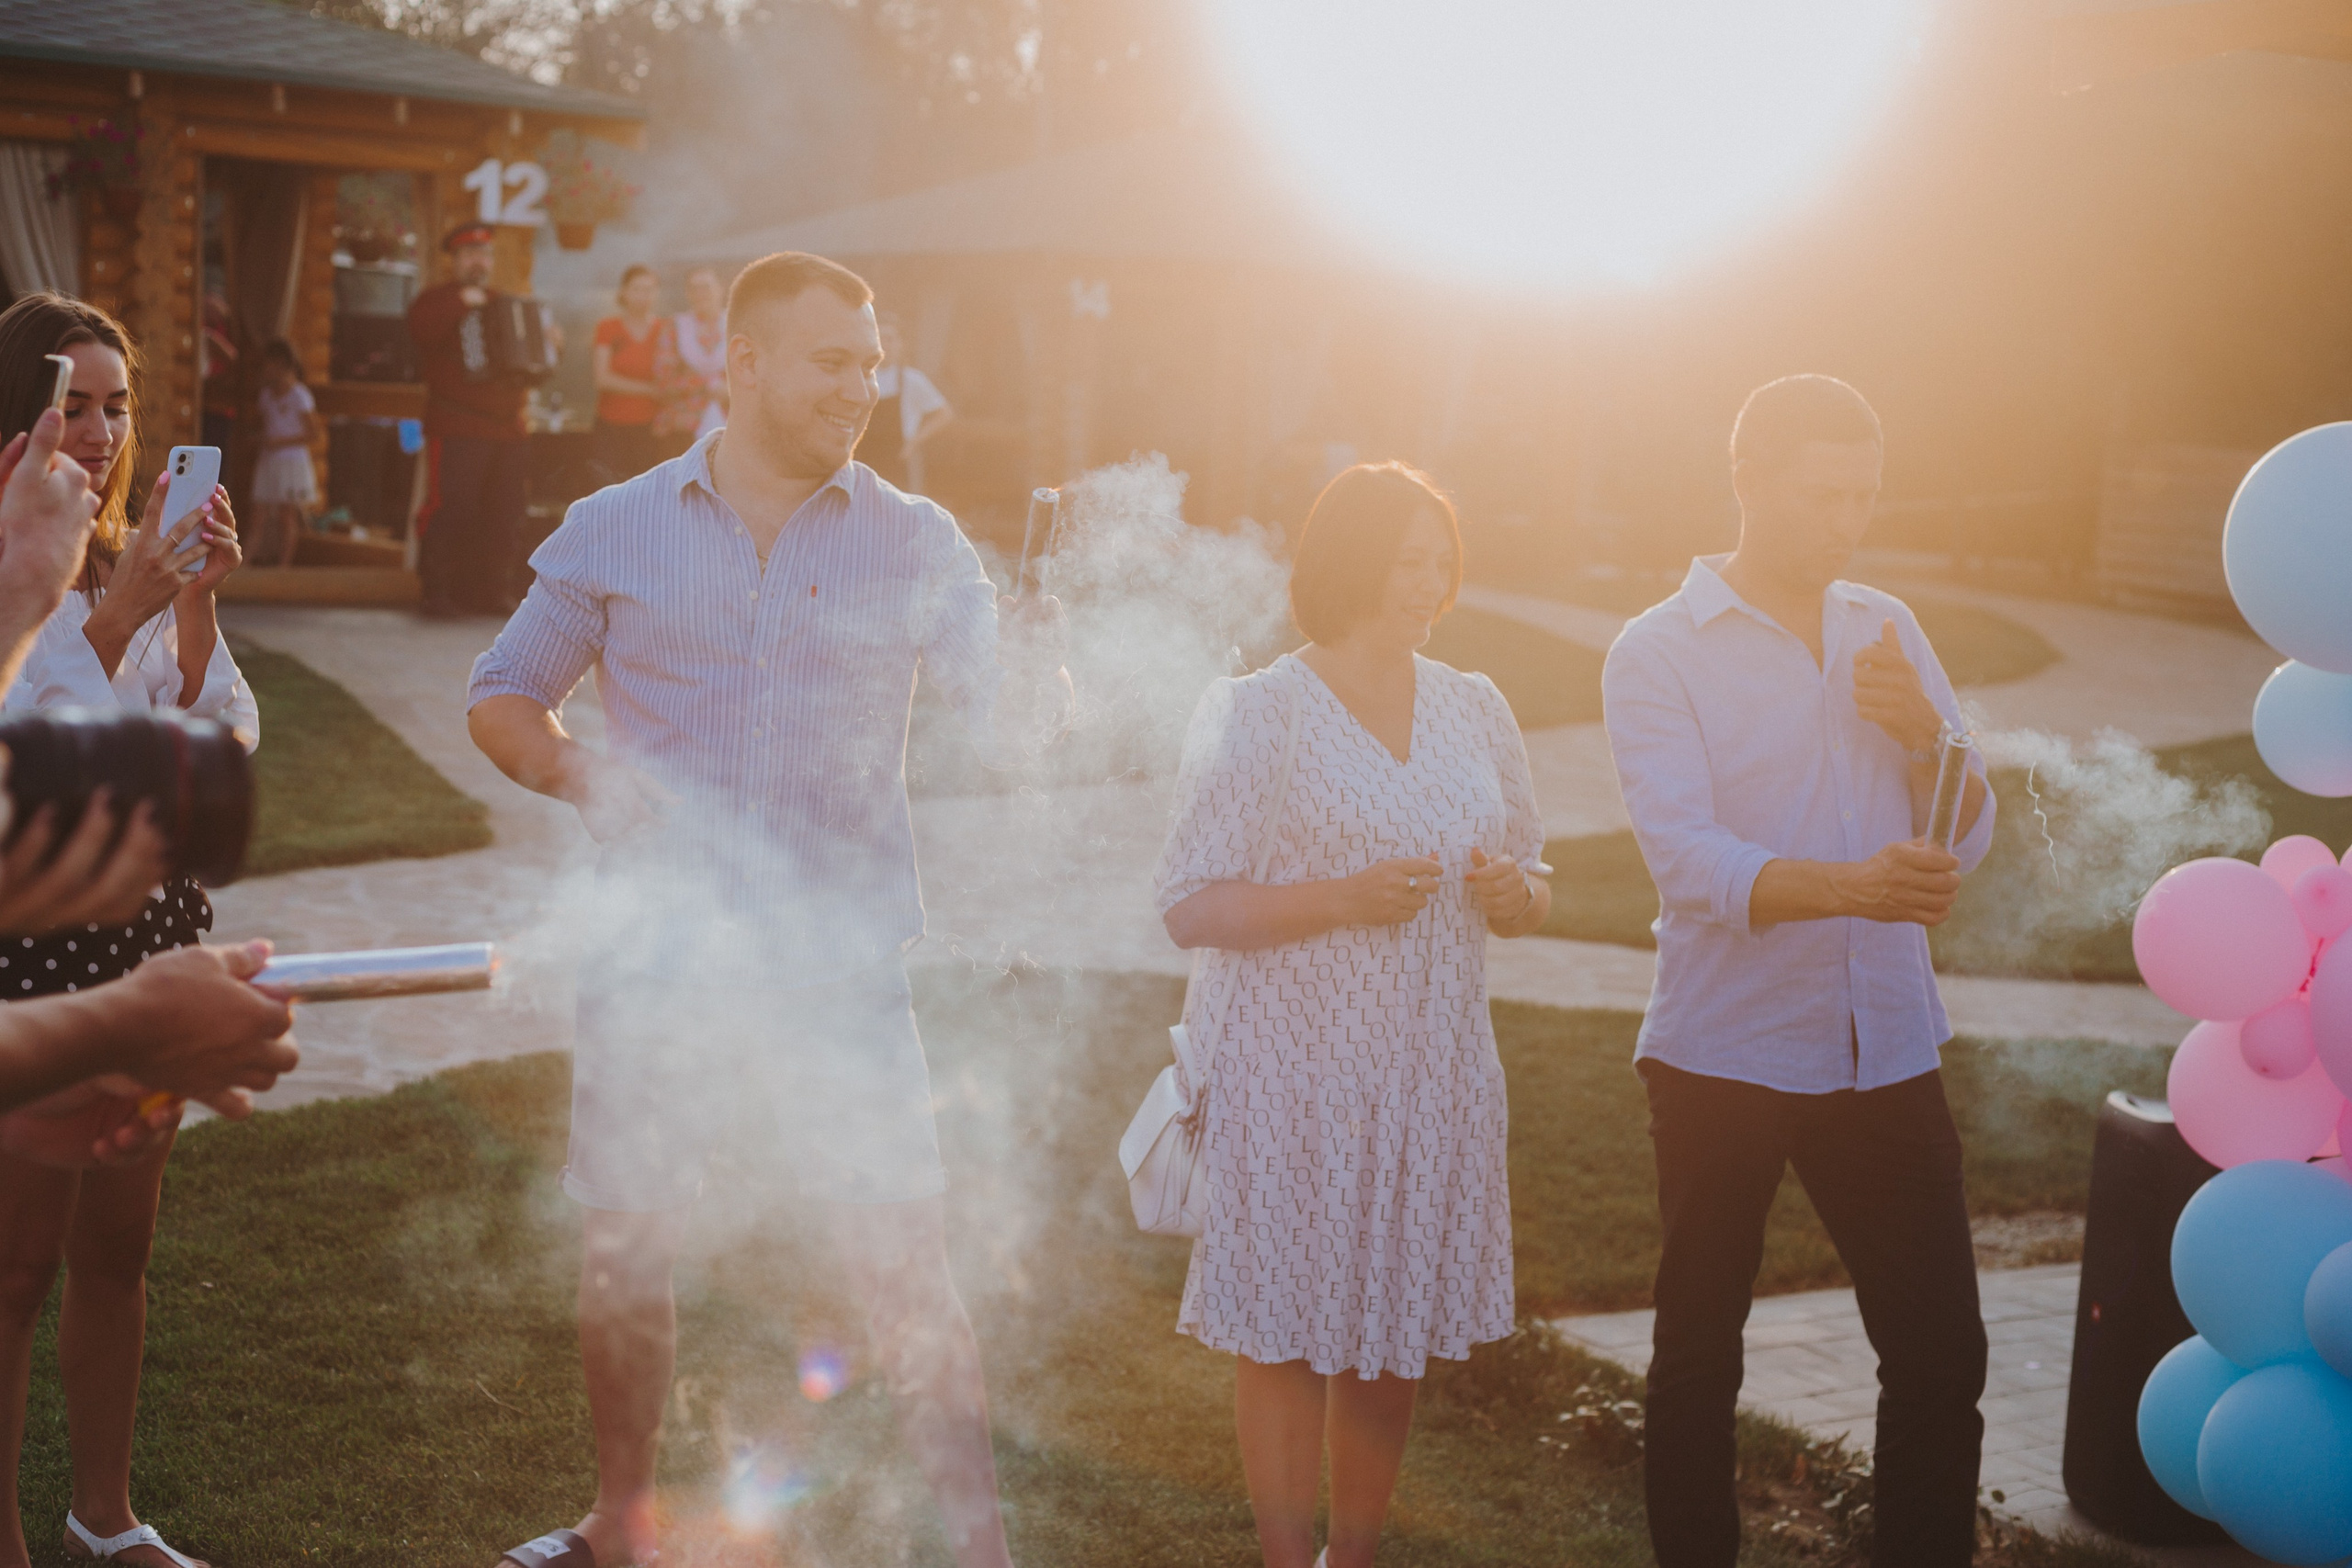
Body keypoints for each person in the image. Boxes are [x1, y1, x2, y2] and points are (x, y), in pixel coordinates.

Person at [467, 250, 1071, 1568]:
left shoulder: (917, 539)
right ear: (742, 364)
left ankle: (981, 1550)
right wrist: (580, 771)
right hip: (659, 960)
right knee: (629, 1248)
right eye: (832, 361)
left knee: (903, 1263)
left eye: (872, 363)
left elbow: (1009, 724)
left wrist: (1039, 674)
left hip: (839, 968)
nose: (862, 387)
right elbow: (504, 693)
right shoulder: (617, 522)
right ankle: (621, 1522)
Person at [1600, 375, 1996, 1568]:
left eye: (1864, 495)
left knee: (1941, 1356)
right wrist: (1852, 888)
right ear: (1747, 480)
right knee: (1698, 1357)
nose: (1847, 521)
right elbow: (1687, 861)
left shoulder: (1887, 623)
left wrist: (1925, 735)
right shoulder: (1655, 651)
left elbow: (1967, 827)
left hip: (1885, 1044)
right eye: (1823, 494)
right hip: (1721, 1053)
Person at [1155, 462, 1552, 1568]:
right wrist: (1340, 899)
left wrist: (1515, 897)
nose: (1427, 584)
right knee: (1285, 1335)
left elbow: (1533, 876)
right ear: (1349, 563)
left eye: (1440, 561)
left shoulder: (1476, 706)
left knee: (1393, 1330)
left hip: (1434, 1071)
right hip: (1292, 1075)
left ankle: (1356, 1557)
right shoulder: (1259, 711)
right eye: (1405, 561)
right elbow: (1187, 904)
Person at [0, 291, 277, 1568]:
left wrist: (196, 604)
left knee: (118, 1249)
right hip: (36, 953)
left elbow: (218, 742)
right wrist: (114, 622)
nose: (103, 432)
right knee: (14, 1266)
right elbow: (32, 765)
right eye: (75, 404)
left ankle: (101, 1518)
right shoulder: (19, 570)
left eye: (119, 406)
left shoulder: (130, 557)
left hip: (151, 938)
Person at [408, 222, 533, 619]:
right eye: (470, 254)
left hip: (507, 430)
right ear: (455, 261)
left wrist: (550, 346)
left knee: (504, 511)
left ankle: (490, 591)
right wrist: (460, 304)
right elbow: (419, 333)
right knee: (452, 508)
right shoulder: (436, 301)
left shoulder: (504, 304)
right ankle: (438, 591)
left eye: (485, 254)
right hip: (457, 426)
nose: (479, 262)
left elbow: (528, 362)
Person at [589, 264, 672, 484]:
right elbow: (602, 379)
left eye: (649, 290)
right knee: (608, 492)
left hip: (651, 429)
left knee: (646, 493)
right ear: (624, 292)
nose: (643, 296)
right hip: (611, 427)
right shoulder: (607, 328)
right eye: (637, 289)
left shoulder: (665, 329)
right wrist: (649, 390)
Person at [860, 310, 951, 494]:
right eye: (880, 338)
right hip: (865, 459)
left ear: (901, 344)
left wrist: (913, 443)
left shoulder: (912, 380)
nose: (885, 344)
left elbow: (944, 414)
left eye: (890, 339)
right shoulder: (862, 378)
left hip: (899, 460)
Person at [248, 338, 319, 568]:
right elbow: (268, 426)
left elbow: (313, 434)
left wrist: (279, 442)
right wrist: (260, 439)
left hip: (291, 462)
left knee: (286, 516)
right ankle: (245, 563)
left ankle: (283, 567)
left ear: (281, 364)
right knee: (258, 513)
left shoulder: (300, 396)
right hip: (269, 460)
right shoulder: (266, 396)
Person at [656, 264, 728, 448]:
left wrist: (729, 390)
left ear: (720, 288)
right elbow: (663, 381)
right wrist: (708, 385)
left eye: (706, 287)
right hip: (682, 427)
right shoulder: (674, 327)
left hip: (733, 425)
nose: (700, 294)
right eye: (694, 289)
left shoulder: (738, 325)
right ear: (687, 293)